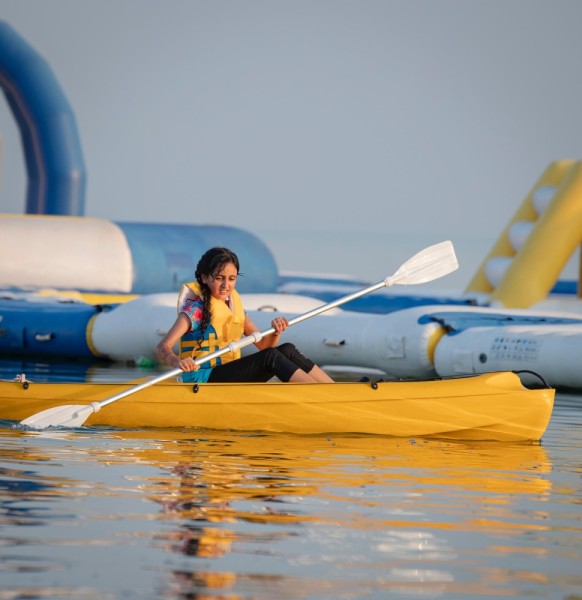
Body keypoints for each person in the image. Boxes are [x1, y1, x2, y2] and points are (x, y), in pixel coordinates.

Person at [157, 247, 334, 383]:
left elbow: (265, 347)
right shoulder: (195, 309)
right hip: (202, 378)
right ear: (204, 278)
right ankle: (320, 395)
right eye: (219, 278)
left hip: (228, 373)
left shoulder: (234, 306)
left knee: (286, 349)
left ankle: (334, 389)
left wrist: (276, 332)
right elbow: (163, 347)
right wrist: (177, 361)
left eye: (232, 279)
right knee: (270, 359)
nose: (226, 285)